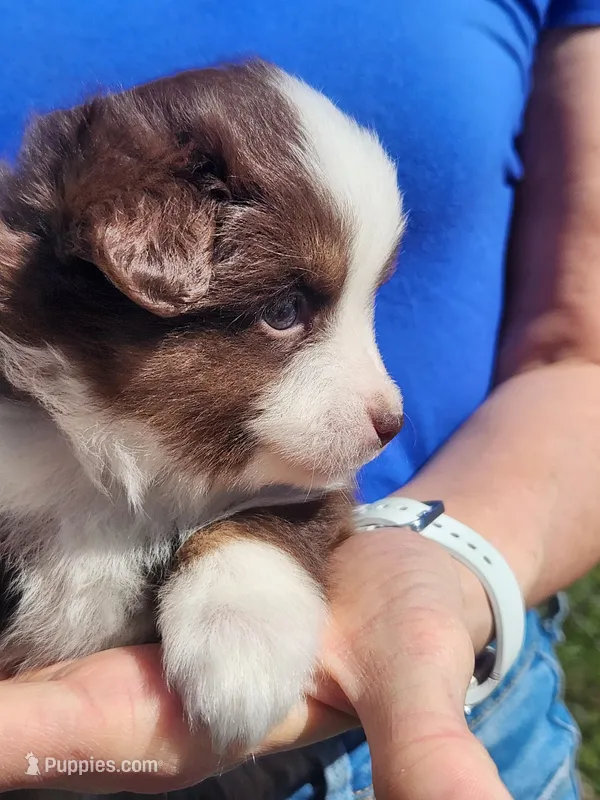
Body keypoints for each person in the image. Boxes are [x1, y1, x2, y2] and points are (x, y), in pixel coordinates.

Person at [1, 1, 600, 797]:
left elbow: (580, 351)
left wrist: (261, 560)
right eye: (288, 310)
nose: (385, 401)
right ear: (138, 257)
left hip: (434, 684)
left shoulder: (284, 481)